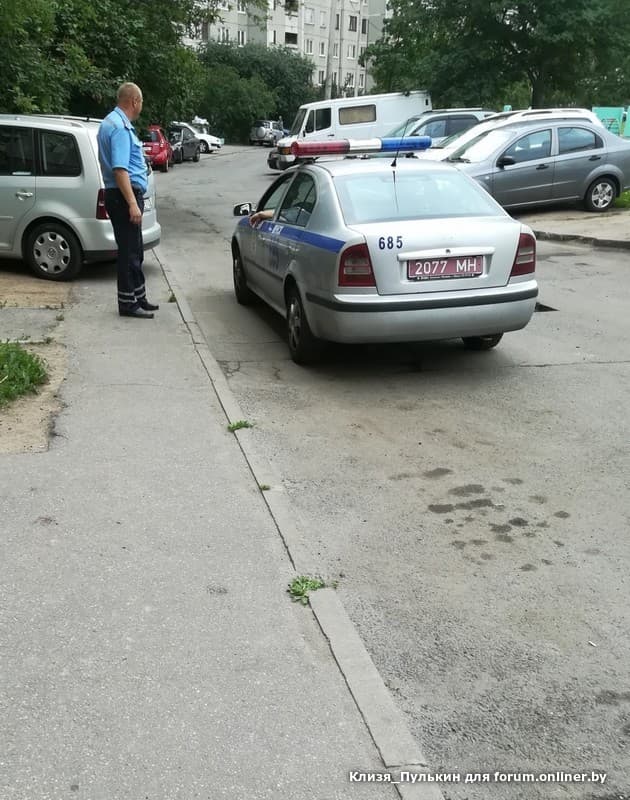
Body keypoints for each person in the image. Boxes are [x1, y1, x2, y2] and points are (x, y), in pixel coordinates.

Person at [97, 82, 158, 319]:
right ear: (134, 101)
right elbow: (120, 169)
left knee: (135, 250)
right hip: (124, 197)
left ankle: (139, 297)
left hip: (120, 195)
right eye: (141, 102)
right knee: (129, 253)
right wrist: (132, 203)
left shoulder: (110, 122)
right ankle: (128, 304)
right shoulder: (120, 128)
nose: (141, 106)